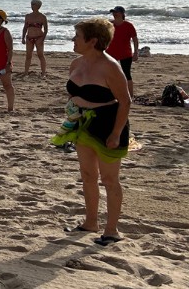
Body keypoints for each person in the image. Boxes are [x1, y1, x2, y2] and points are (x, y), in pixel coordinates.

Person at [51, 18, 131, 246]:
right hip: (83, 125)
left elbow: (125, 102)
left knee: (109, 179)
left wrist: (116, 133)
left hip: (108, 125)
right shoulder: (76, 63)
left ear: (92, 40)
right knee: (87, 176)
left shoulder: (111, 67)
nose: (73, 40)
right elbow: (73, 94)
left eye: (77, 36)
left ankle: (111, 230)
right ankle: (91, 222)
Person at [21, 0, 49, 75]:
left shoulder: (42, 17)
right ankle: (26, 72)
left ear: (38, 6)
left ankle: (43, 73)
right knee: (28, 55)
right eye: (32, 4)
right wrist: (23, 37)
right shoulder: (28, 16)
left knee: (40, 55)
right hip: (29, 37)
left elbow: (46, 29)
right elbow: (25, 28)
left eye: (34, 4)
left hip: (39, 37)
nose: (32, 6)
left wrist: (42, 39)